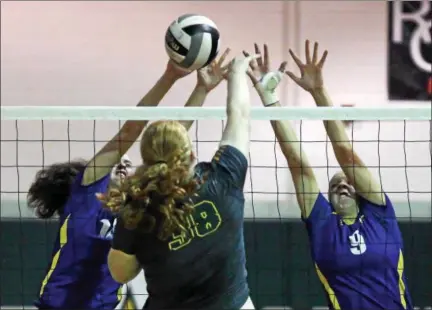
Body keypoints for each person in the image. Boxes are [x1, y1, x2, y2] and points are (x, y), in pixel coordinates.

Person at [27, 49, 231, 310]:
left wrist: (201, 89)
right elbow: (130, 129)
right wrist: (169, 77)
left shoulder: (137, 203)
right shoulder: (87, 190)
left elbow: (172, 141)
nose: (121, 170)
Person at [244, 41, 413, 310]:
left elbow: (346, 154)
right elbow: (297, 162)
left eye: (348, 182)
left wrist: (319, 92)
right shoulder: (322, 223)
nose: (343, 185)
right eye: (335, 185)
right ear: (329, 197)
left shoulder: (379, 215)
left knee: (347, 159)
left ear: (360, 194)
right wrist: (269, 98)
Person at [97, 54, 259, 310]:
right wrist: (237, 73)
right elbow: (239, 116)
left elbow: (120, 273)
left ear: (147, 160)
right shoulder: (223, 177)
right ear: (191, 153)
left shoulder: (136, 208)